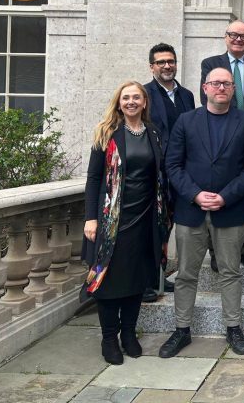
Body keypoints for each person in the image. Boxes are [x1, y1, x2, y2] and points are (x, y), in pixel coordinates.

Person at [159, 67, 244, 358]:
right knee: (186, 274)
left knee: (230, 272)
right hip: (190, 211)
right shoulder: (186, 121)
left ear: (233, 89)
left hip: (230, 211)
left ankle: (233, 327)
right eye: (215, 83)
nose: (221, 88)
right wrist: (195, 194)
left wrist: (226, 197)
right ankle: (182, 329)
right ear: (205, 88)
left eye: (226, 84)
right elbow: (173, 164)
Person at [82, 81, 170, 365]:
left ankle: (129, 334)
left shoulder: (153, 133)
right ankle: (109, 338)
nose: (131, 102)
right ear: (119, 103)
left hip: (145, 219)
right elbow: (94, 178)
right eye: (126, 98)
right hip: (112, 221)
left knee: (137, 279)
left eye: (136, 97)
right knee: (108, 282)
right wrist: (90, 218)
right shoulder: (106, 132)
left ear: (144, 102)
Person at [200, 21, 244, 270]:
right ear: (226, 37)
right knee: (219, 193)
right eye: (234, 35)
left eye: (243, 36)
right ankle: (216, 251)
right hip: (219, 141)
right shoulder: (210, 64)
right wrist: (232, 121)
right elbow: (208, 97)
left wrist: (242, 121)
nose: (239, 39)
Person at [143, 42, 196, 302]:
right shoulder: (144, 94)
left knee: (168, 226)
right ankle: (146, 281)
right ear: (152, 66)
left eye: (171, 61)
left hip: (181, 173)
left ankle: (160, 276)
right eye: (161, 62)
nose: (167, 66)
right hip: (154, 173)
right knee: (152, 228)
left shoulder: (187, 95)